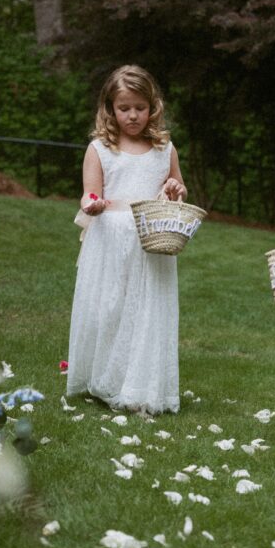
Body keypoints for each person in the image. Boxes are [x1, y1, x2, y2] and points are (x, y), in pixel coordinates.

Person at [67, 65, 186, 413]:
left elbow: (177, 188)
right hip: (111, 238)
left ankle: (140, 383)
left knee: (146, 309)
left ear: (153, 107)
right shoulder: (100, 149)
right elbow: (89, 195)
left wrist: (175, 188)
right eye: (124, 108)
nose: (133, 115)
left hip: (150, 239)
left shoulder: (164, 149)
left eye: (140, 107)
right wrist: (93, 205)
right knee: (111, 308)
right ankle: (107, 379)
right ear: (110, 110)